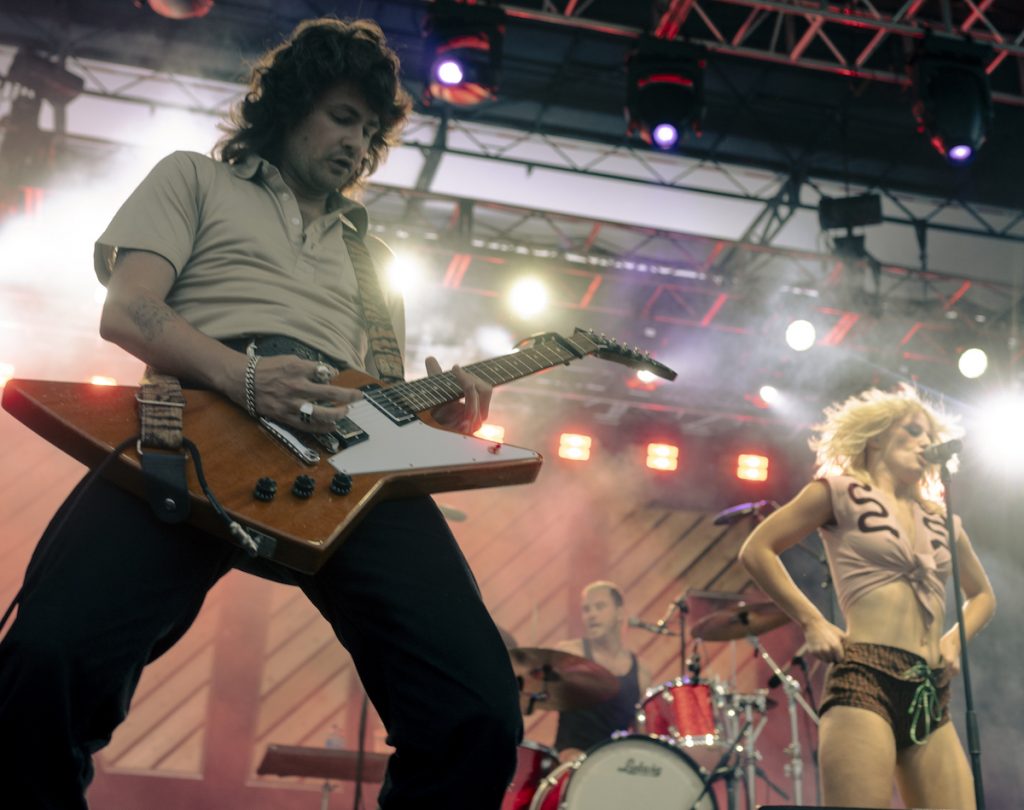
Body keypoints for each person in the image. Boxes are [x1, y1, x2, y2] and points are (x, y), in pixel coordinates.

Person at [0, 18, 522, 809]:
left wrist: (434, 421)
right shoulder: (193, 180)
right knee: (43, 661)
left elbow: (375, 395)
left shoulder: (371, 260)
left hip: (340, 455)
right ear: (291, 106)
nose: (358, 143)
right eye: (344, 117)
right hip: (195, 428)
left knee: (479, 714)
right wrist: (243, 379)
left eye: (372, 133)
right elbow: (128, 310)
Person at [739, 385, 995, 809]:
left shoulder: (941, 518)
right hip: (864, 677)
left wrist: (953, 640)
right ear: (876, 436)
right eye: (914, 431)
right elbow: (757, 549)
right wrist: (813, 620)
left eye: (931, 437)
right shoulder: (840, 491)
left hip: (929, 687)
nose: (926, 444)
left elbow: (983, 595)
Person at [552, 580, 651, 762]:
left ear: (620, 612)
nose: (592, 615)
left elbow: (641, 731)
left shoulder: (642, 671)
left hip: (616, 764)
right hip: (571, 760)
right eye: (586, 609)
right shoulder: (569, 653)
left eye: (600, 607)